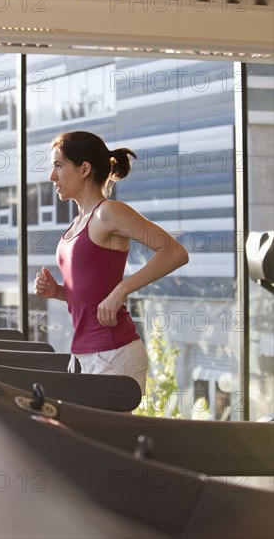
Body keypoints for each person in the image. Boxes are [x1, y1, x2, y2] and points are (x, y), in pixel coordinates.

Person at [34, 131, 189, 393]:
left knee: (106, 433)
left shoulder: (108, 212)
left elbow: (175, 252)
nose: (52, 176)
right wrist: (57, 292)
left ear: (84, 169)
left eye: (58, 166)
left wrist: (122, 289)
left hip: (114, 351)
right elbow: (91, 293)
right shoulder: (76, 224)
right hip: (86, 354)